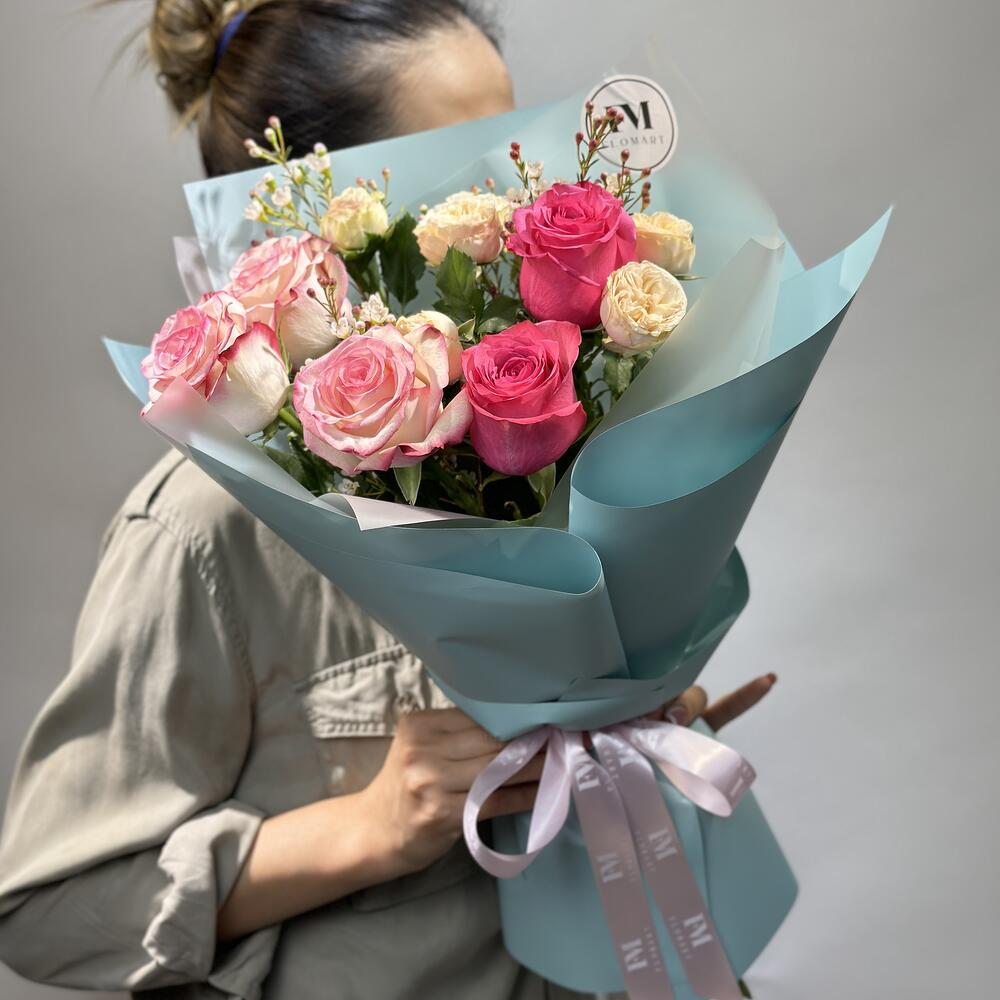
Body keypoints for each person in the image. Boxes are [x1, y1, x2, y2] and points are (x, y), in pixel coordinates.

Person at [0, 2, 777, 998]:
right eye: (467, 172)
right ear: (315, 211)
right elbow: (46, 907)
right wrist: (370, 825)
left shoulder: (557, 431)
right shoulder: (205, 527)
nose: (518, 206)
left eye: (519, 150)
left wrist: (629, 727)